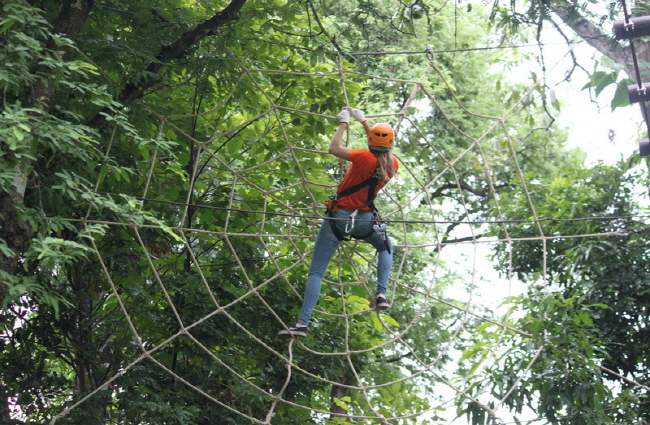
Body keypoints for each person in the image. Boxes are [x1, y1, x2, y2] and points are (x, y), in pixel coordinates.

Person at [278, 107, 399, 338]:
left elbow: (333, 148)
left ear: (370, 142)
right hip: (364, 220)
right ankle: (381, 293)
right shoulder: (393, 164)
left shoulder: (363, 157)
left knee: (316, 271)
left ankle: (303, 324)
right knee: (386, 248)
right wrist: (364, 121)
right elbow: (379, 149)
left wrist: (344, 123)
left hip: (338, 218)